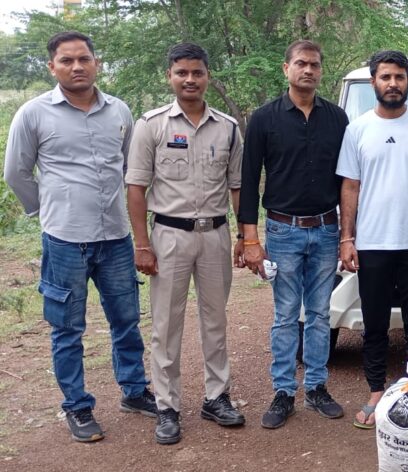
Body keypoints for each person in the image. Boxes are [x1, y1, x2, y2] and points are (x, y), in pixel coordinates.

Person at [3, 31, 156, 442]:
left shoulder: (118, 110)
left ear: (96, 63)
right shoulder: (33, 113)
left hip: (116, 238)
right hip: (65, 240)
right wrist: (49, 208)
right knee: (67, 328)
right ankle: (77, 405)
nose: (76, 67)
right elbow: (16, 172)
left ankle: (135, 391)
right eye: (67, 60)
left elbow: (130, 170)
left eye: (84, 59)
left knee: (126, 320)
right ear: (51, 67)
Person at [126, 43, 245, 445]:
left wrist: (245, 236)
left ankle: (217, 397)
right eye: (182, 73)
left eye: (197, 72)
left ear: (208, 76)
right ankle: (167, 407)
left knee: (215, 320)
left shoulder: (227, 127)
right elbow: (136, 187)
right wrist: (142, 244)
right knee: (165, 324)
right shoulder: (151, 125)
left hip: (214, 235)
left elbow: (237, 186)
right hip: (168, 236)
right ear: (170, 76)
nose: (190, 79)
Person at [238, 40, 349, 429]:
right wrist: (250, 239)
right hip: (282, 230)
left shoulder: (337, 119)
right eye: (301, 63)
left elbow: (349, 181)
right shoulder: (264, 119)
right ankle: (284, 391)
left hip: (326, 229)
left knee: (320, 313)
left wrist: (348, 234)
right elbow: (248, 180)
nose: (308, 70)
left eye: (314, 64)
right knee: (286, 315)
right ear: (286, 68)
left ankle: (316, 387)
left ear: (321, 70)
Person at [337, 50, 408, 429]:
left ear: (407, 82)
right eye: (386, 77)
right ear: (374, 82)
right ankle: (375, 391)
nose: (393, 83)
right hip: (371, 244)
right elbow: (350, 187)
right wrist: (347, 238)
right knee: (375, 324)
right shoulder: (357, 130)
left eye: (400, 77)